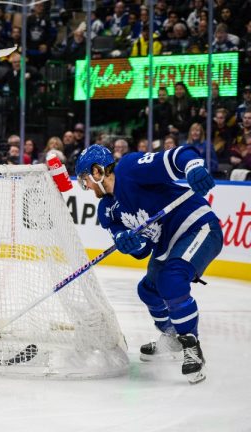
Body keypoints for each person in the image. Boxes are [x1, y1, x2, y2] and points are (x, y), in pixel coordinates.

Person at [75, 144, 223, 384]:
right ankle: (172, 336)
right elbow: (143, 250)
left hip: (197, 226)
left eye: (85, 179)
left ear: (97, 171)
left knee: (171, 280)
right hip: (167, 242)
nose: (86, 186)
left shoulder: (130, 168)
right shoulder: (107, 211)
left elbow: (178, 156)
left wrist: (193, 167)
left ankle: (191, 345)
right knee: (148, 290)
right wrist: (129, 243)